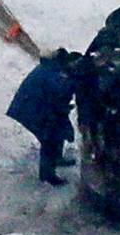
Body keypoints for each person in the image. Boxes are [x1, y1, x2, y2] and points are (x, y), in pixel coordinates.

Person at [7, 50, 80, 186]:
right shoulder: (58, 77)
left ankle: (56, 158)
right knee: (49, 139)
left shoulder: (52, 68)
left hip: (33, 106)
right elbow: (57, 102)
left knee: (55, 133)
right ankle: (47, 175)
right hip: (32, 110)